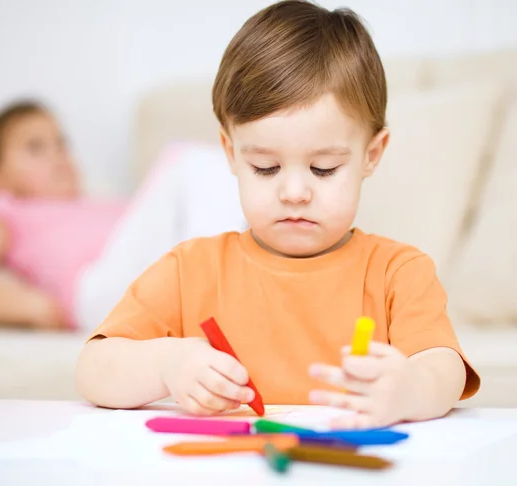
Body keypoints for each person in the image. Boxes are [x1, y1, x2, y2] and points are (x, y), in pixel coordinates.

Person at [75, 0, 480, 430]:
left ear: (371, 155)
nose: (294, 192)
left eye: (323, 169)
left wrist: (410, 389)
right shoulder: (189, 270)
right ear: (231, 153)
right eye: (265, 167)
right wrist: (166, 362)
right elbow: (92, 369)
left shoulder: (398, 273)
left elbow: (445, 369)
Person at [0, 102, 245, 331]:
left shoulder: (92, 203)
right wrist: (34, 307)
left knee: (209, 174)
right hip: (95, 291)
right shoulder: (6, 209)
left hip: (146, 273)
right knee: (189, 163)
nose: (57, 155)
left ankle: (236, 292)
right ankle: (222, 307)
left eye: (61, 144)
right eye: (35, 148)